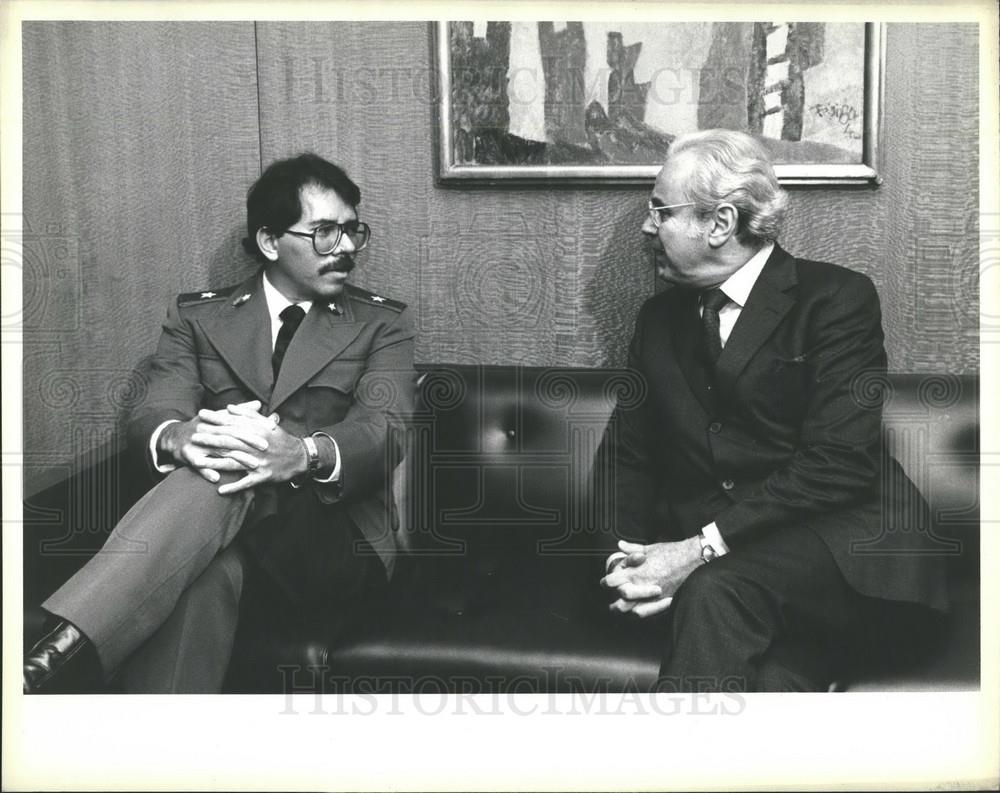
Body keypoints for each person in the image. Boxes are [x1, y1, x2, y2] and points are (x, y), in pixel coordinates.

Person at [23, 153, 417, 693]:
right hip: (216, 543)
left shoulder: (382, 324)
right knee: (205, 572)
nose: (346, 248)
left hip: (333, 541)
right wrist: (180, 437)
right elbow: (155, 410)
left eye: (352, 231)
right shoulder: (197, 319)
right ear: (270, 242)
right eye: (325, 232)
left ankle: (58, 656)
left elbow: (387, 427)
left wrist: (302, 454)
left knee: (229, 465)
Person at [596, 129, 948, 692]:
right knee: (772, 679)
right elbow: (627, 456)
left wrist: (696, 550)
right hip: (750, 578)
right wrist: (624, 563)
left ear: (720, 223)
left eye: (660, 210)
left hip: (844, 552)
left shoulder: (837, 299)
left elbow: (838, 462)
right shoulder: (657, 321)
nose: (646, 227)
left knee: (716, 589)